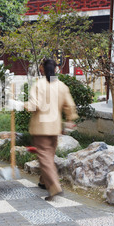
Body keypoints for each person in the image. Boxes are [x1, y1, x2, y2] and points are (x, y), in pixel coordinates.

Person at [25, 58, 78, 201]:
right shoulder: (61, 86)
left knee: (45, 157)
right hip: (55, 127)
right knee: (49, 156)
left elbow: (34, 105)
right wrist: (70, 119)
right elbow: (70, 105)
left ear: (42, 68)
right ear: (56, 68)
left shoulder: (39, 85)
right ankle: (43, 181)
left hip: (41, 127)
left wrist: (20, 105)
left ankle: (54, 188)